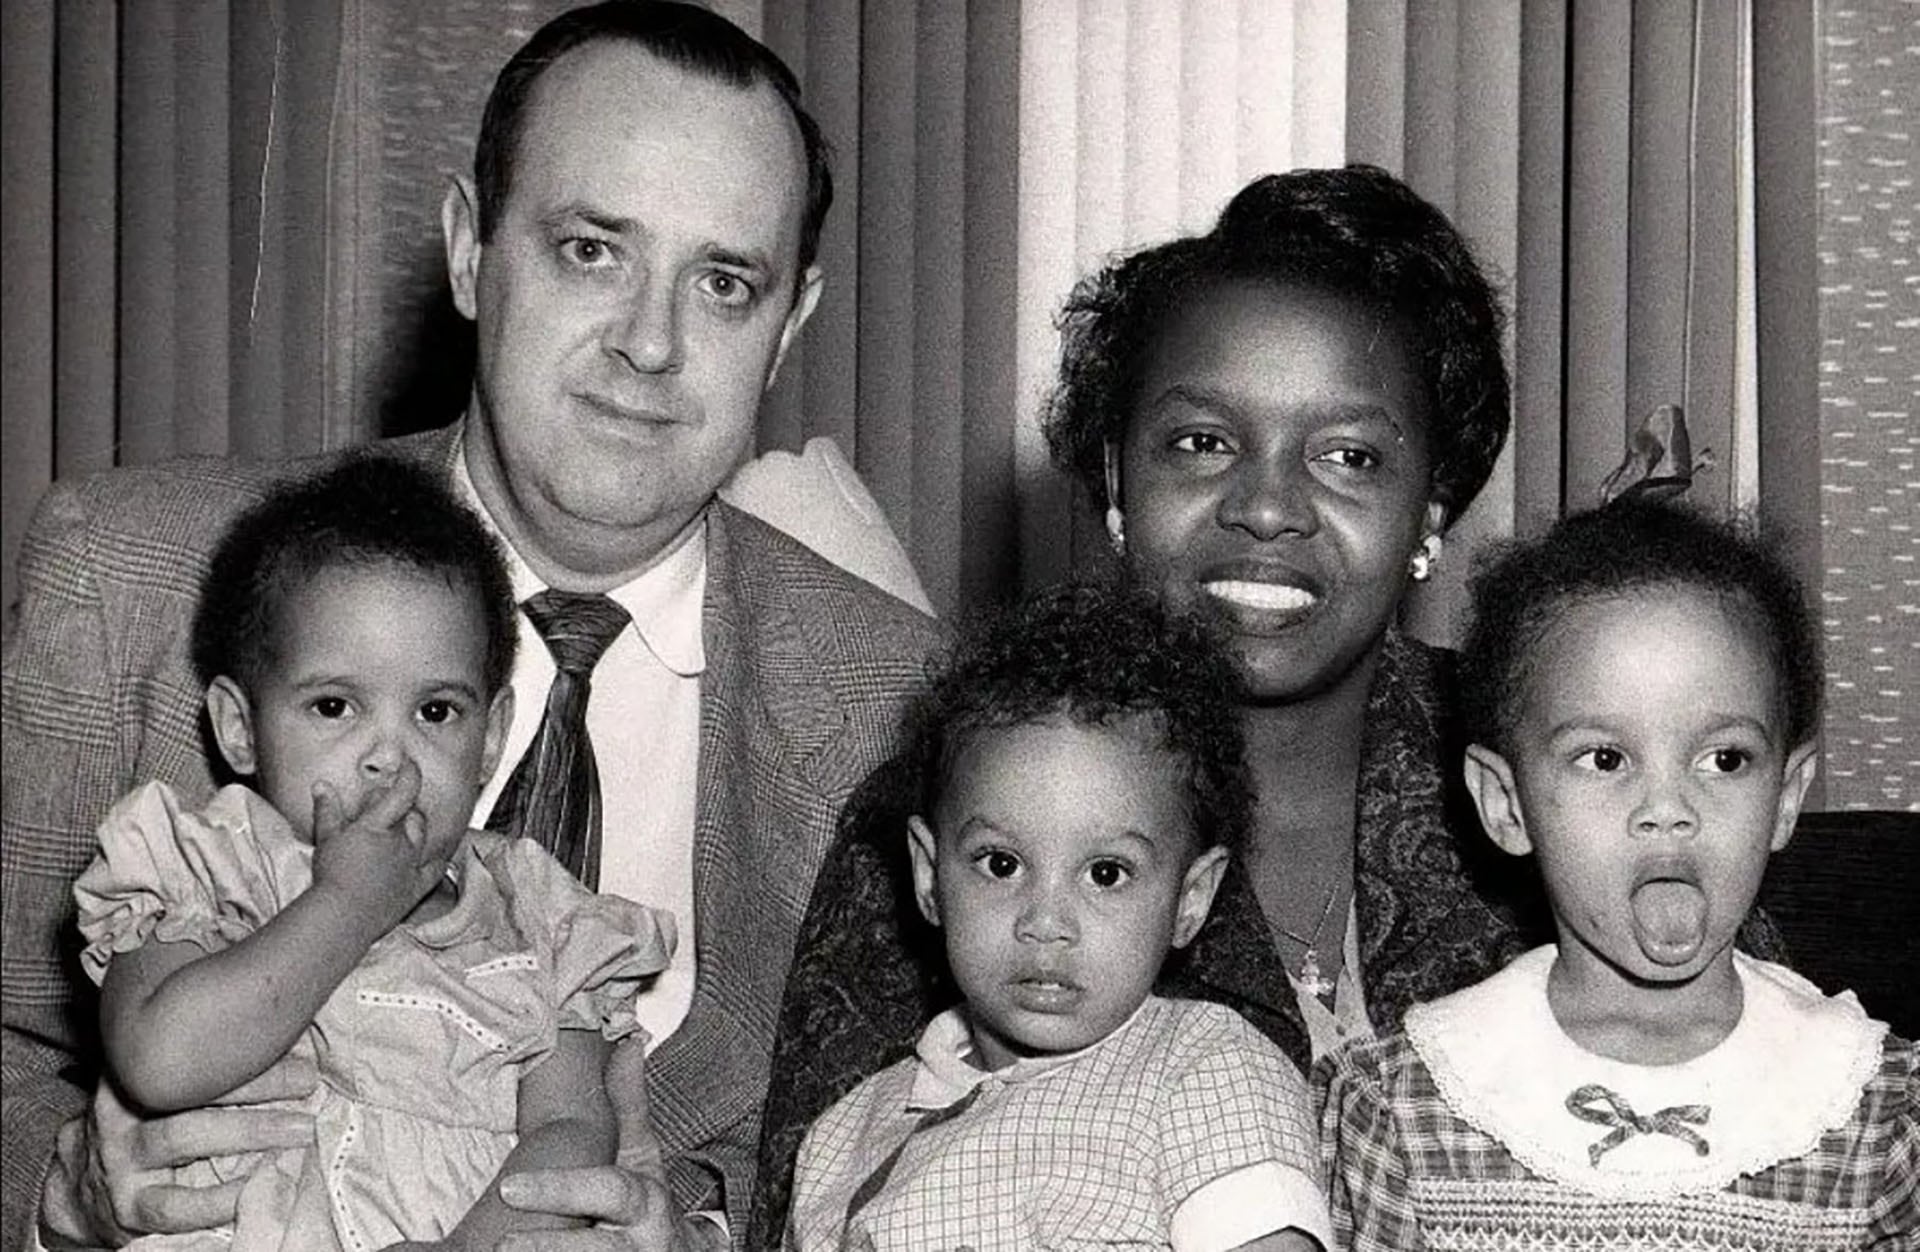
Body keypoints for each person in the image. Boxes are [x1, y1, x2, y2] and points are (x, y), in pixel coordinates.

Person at [1, 4, 945, 1249]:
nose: (651, 344)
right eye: (590, 250)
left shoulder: (904, 703)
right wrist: (59, 1191)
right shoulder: (132, 579)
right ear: (468, 250)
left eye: (723, 283)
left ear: (790, 328)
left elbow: (924, 1157)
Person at [750, 163, 1562, 1243]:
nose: (1269, 505)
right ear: (1118, 483)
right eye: (1202, 442)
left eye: (1349, 456)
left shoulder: (1559, 760)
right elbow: (810, 1204)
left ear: (1432, 508)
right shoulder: (952, 796)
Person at [76, 456, 679, 1250]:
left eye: (435, 711)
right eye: (334, 706)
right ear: (239, 728)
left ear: (492, 736)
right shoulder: (207, 866)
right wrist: (347, 904)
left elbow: (570, 1129)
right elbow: (160, 1060)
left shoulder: (540, 918)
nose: (389, 758)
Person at [1317, 498, 1915, 1250]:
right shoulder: (1404, 1107)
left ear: (1786, 796)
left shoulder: (1874, 1112)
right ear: (1506, 805)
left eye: (1724, 760)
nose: (1667, 809)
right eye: (1606, 759)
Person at [786, 585, 1331, 1252]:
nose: (1045, 922)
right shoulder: (844, 1134)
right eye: (1000, 864)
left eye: (1106, 874)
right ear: (930, 875)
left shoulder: (1205, 1068)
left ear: (1190, 899)